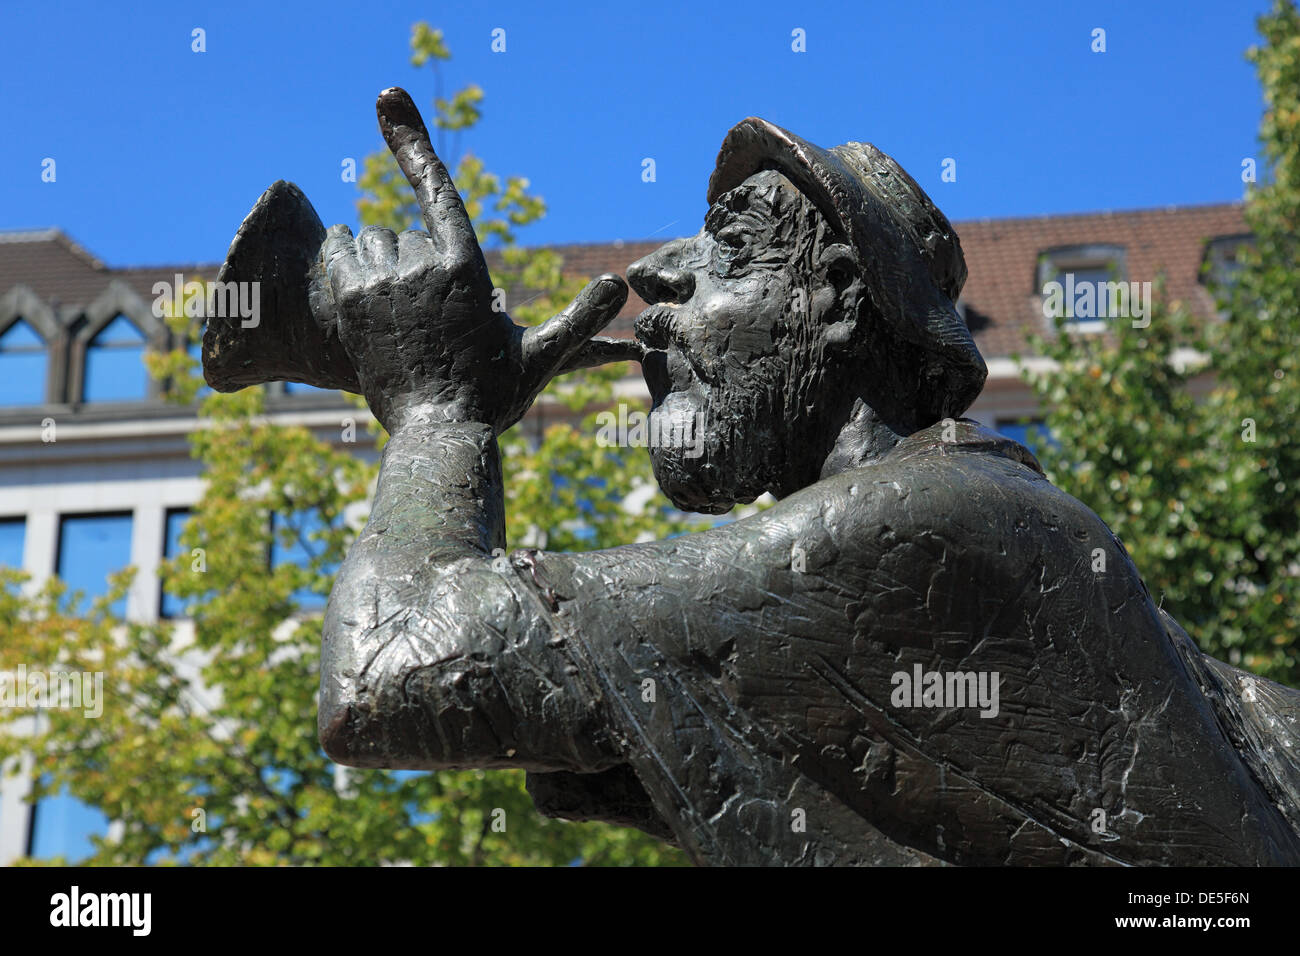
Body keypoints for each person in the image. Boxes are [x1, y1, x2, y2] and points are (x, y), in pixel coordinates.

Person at [310, 88, 1300, 865]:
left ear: (835, 298)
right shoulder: (997, 537)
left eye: (729, 248)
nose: (655, 282)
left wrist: (439, 406)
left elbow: (387, 673)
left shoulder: (937, 525)